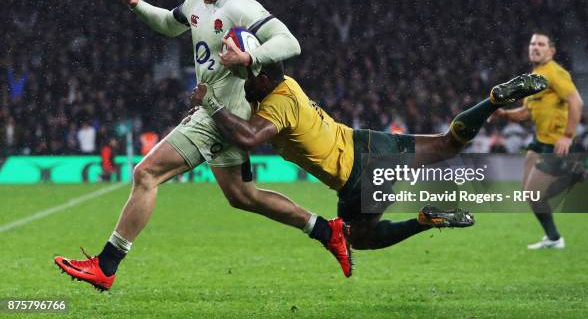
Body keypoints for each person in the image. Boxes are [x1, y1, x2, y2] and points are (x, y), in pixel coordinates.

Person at [55, 0, 334, 291]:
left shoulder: (240, 6)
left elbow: (289, 42)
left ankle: (106, 265)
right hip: (217, 113)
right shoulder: (195, 3)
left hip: (220, 114)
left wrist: (250, 58)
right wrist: (133, 2)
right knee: (243, 197)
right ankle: (325, 229)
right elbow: (169, 25)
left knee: (146, 173)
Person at [192, 61, 548, 272]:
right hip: (367, 141)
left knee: (358, 239)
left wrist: (210, 103)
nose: (243, 81)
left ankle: (424, 220)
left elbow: (251, 138)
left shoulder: (276, 106)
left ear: (265, 81)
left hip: (358, 176)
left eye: (247, 77)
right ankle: (490, 101)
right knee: (446, 143)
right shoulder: (287, 85)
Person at [491, 31, 588, 249]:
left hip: (556, 141)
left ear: (551, 51)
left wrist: (567, 136)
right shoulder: (533, 78)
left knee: (535, 193)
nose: (535, 47)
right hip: (539, 140)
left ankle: (573, 175)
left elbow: (577, 102)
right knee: (529, 193)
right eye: (532, 44)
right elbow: (526, 113)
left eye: (541, 44)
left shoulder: (555, 72)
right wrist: (505, 114)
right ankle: (553, 238)